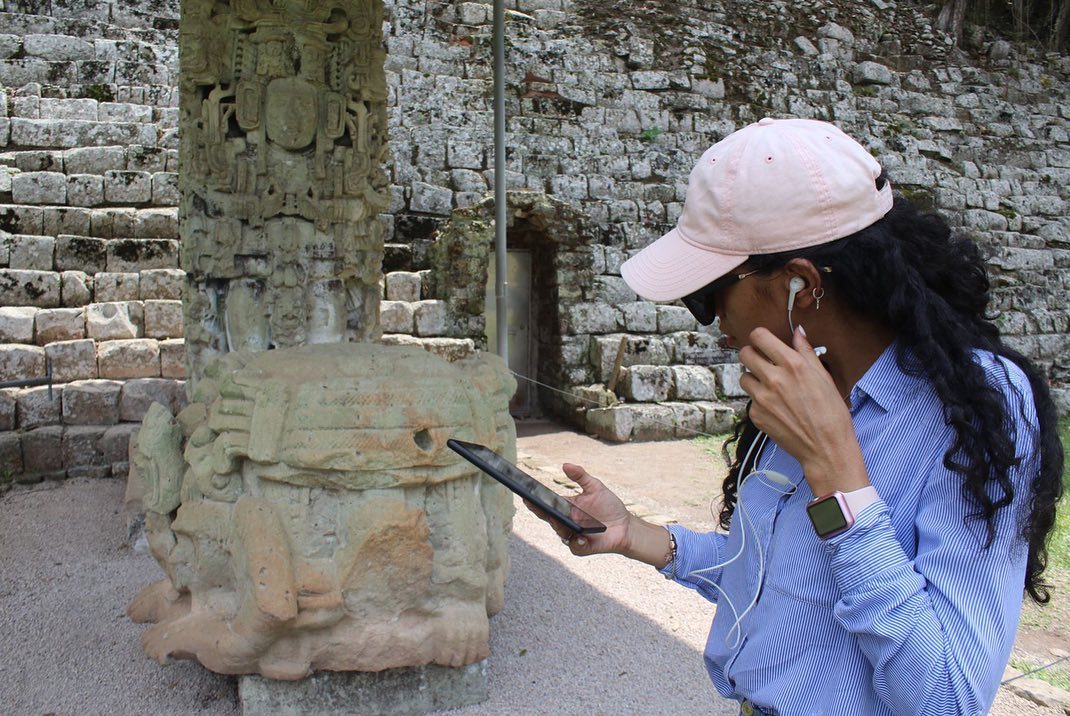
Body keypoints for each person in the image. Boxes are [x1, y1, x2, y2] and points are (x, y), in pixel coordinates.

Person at [534, 118, 1065, 715]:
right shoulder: (805, 381)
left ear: (800, 284)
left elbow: (946, 699)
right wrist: (637, 536)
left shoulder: (976, 407)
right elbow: (775, 584)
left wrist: (837, 475)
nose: (708, 323)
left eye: (707, 296)